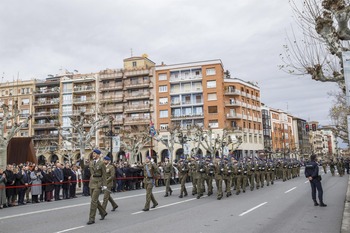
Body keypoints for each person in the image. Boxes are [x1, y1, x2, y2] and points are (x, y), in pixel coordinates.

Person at [87, 149, 108, 225]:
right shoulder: (91, 162)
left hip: (98, 183)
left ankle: (91, 218)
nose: (93, 155)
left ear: (98, 155)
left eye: (95, 153)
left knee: (93, 201)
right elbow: (84, 167)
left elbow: (104, 175)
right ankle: (103, 212)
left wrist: (105, 185)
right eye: (93, 153)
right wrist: (82, 158)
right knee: (95, 200)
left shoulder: (102, 163)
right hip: (91, 182)